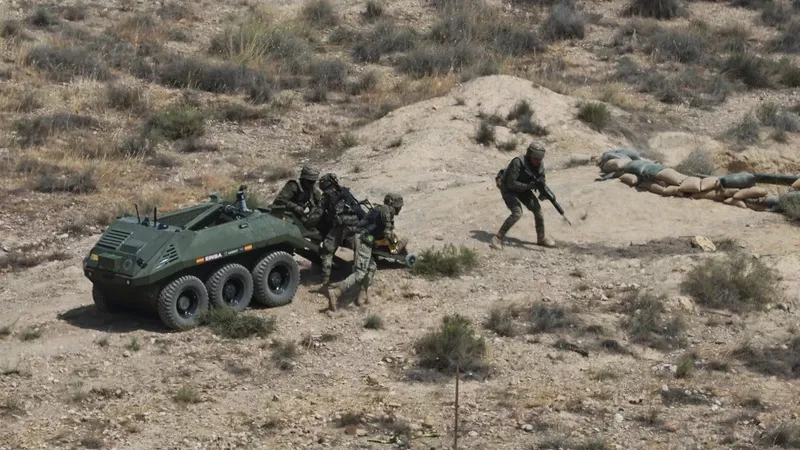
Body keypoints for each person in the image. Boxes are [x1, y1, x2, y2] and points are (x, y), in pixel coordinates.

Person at [325, 193, 403, 312]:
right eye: (399, 206)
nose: (400, 209)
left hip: (365, 240)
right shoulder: (387, 211)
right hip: (363, 239)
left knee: (371, 267)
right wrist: (394, 243)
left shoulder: (381, 209)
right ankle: (336, 292)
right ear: (394, 205)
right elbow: (387, 232)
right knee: (360, 273)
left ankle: (362, 295)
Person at [491, 142, 556, 250]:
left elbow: (541, 178)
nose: (537, 161)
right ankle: (497, 238)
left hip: (524, 189)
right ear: (529, 155)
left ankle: (541, 238)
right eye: (535, 158)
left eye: (539, 159)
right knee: (517, 213)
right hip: (509, 189)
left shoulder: (539, 165)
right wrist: (530, 186)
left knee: (538, 211)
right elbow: (511, 184)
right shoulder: (518, 162)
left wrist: (542, 189)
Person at [308, 173, 361, 289]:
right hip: (355, 223)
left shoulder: (327, 195)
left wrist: (308, 222)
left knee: (327, 249)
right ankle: (357, 277)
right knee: (357, 248)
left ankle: (325, 281)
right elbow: (357, 207)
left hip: (341, 225)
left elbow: (318, 212)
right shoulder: (345, 192)